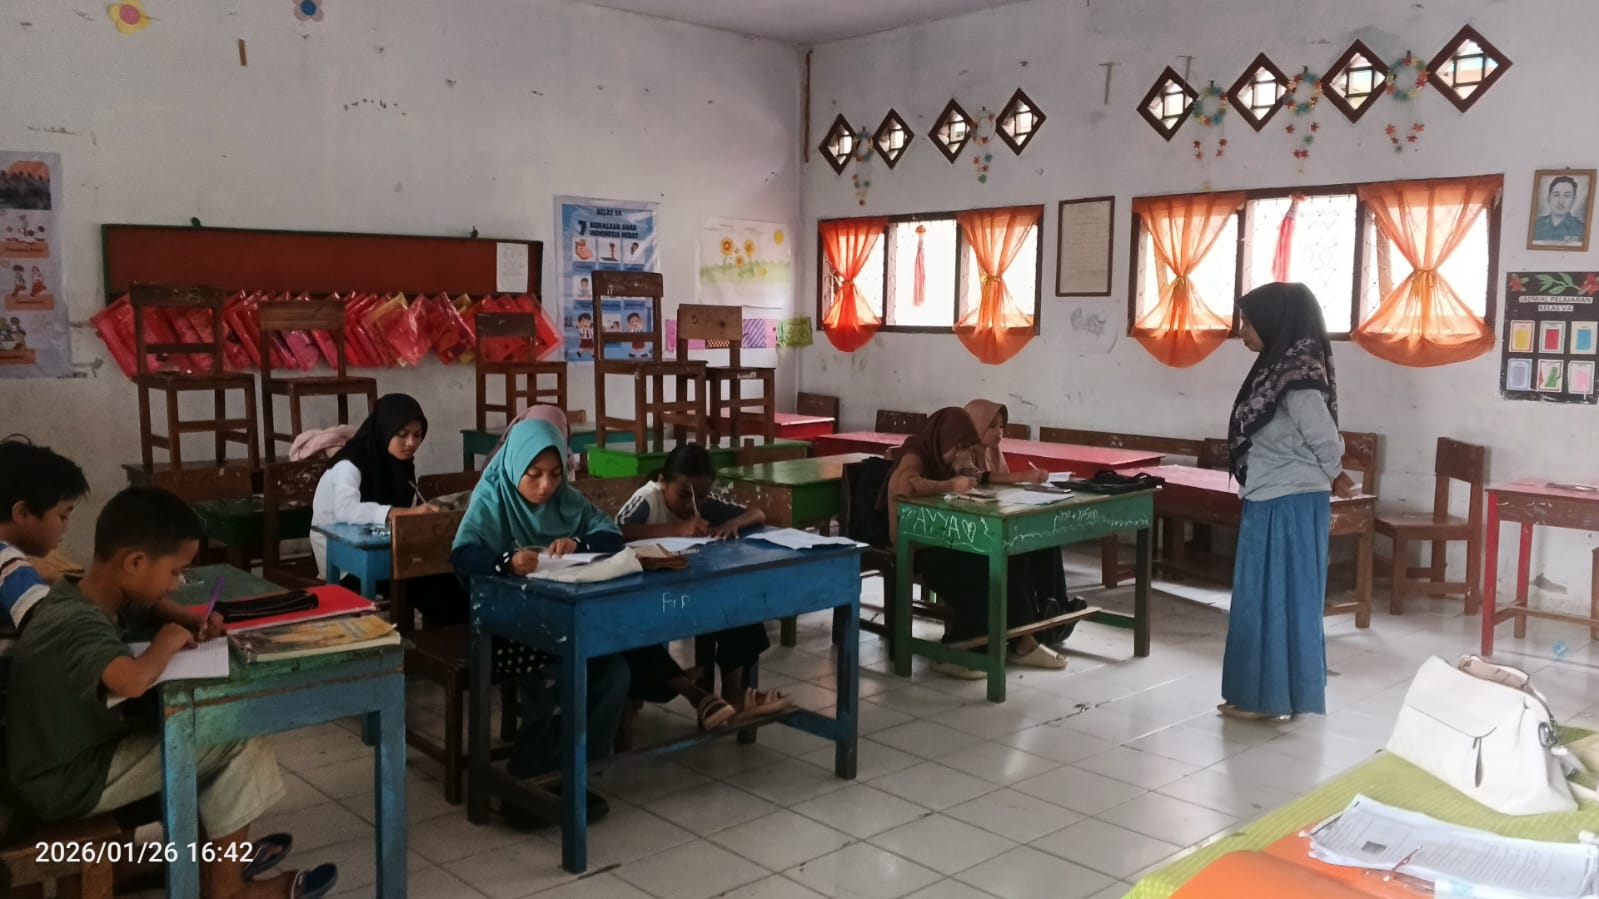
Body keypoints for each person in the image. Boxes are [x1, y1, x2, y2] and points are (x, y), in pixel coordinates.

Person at [7, 486, 338, 898]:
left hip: (60, 763)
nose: (176, 583)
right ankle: (227, 889)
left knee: (205, 741)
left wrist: (183, 617)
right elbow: (130, 680)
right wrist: (165, 643)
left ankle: (211, 863)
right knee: (235, 739)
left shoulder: (84, 593)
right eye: (173, 572)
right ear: (134, 562)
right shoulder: (78, 624)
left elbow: (143, 606)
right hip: (64, 783)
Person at [450, 419, 629, 830]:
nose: (545, 486)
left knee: (613, 672)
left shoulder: (567, 500)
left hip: (559, 623)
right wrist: (506, 562)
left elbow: (612, 535)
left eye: (554, 474)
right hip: (503, 628)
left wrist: (578, 543)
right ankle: (524, 788)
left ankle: (573, 777)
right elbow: (462, 555)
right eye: (533, 474)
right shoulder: (493, 497)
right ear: (515, 466)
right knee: (551, 681)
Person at [1220, 282, 1354, 721]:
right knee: (1259, 600)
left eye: (1248, 322)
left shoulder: (1296, 379)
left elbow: (1324, 437)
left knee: (1279, 601)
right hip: (1269, 495)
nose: (1242, 331)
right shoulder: (1274, 369)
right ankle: (1261, 695)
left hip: (1291, 501)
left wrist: (1335, 473)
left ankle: (1270, 700)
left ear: (1274, 322)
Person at [615, 444, 787, 738]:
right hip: (644, 600)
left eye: (702, 496)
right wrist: (677, 530)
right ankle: (702, 697)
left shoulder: (697, 500)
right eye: (683, 495)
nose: (691, 504)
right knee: (634, 636)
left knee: (738, 601)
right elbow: (616, 531)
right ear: (663, 482)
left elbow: (756, 513)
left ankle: (733, 693)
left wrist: (733, 523)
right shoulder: (647, 498)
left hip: (684, 595)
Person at [883, 408, 1066, 679]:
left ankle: (1022, 641)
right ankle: (955, 650)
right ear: (943, 438)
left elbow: (980, 476)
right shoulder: (915, 456)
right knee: (981, 574)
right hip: (920, 549)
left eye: (963, 448)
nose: (960, 454)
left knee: (1008, 558)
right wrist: (950, 486)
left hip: (947, 541)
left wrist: (1024, 477)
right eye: (957, 447)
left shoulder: (945, 457)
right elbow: (903, 486)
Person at [309, 394, 452, 623]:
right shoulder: (349, 464)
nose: (411, 443)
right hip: (341, 558)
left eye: (417, 435)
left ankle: (437, 640)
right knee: (424, 582)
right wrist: (402, 513)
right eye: (402, 434)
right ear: (385, 429)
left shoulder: (400, 464)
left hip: (382, 545)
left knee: (445, 579)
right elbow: (346, 509)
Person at [0, 436, 88, 639]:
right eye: (62, 516)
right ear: (23, 512)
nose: (66, 527)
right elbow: (54, 628)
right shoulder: (6, 559)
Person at [1534, 175, 1586, 244]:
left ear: (1574, 200)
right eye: (1556, 195)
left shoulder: (1581, 228)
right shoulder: (1537, 224)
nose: (1561, 201)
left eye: (1567, 196)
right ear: (1548, 198)